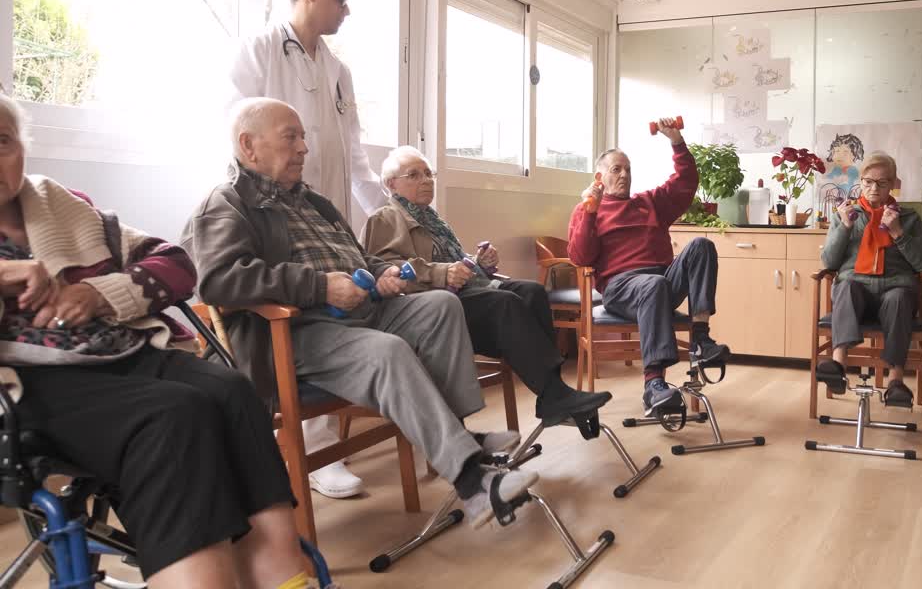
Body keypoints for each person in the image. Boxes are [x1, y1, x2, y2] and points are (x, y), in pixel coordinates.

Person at [0, 95, 313, 589]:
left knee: (233, 390)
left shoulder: (61, 204)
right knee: (173, 414)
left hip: (124, 350)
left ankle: (280, 573)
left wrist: (96, 293)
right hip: (31, 384)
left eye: (2, 141)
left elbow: (176, 263)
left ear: (22, 147)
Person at [181, 99, 537, 529]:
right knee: (386, 351)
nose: (303, 148)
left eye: (303, 137)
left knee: (441, 305)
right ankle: (473, 482)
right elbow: (218, 280)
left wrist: (381, 274)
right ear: (248, 145)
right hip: (294, 332)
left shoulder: (313, 201)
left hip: (359, 312)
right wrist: (319, 285)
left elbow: (357, 257)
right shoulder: (226, 202)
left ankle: (460, 436)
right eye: (290, 137)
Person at [228, 0, 385, 498]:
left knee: (336, 317)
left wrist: (384, 210)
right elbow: (235, 128)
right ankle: (304, 450)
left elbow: (355, 150)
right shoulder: (260, 49)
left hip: (325, 210)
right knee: (298, 320)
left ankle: (323, 446)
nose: (346, 8)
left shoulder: (338, 70)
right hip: (273, 209)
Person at [362, 146, 612, 424]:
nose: (426, 180)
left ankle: (553, 394)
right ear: (390, 184)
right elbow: (386, 269)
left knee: (533, 291)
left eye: (428, 173)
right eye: (414, 175)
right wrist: (442, 273)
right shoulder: (385, 218)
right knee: (506, 303)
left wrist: (479, 262)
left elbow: (452, 263)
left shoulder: (432, 219)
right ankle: (556, 396)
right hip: (436, 305)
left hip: (467, 292)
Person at [568, 118, 730, 417]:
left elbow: (686, 184)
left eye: (628, 169)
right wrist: (590, 210)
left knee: (701, 246)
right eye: (616, 169)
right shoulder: (588, 209)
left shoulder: (649, 202)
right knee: (652, 285)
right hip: (621, 288)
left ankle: (701, 339)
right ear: (599, 176)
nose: (624, 174)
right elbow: (580, 256)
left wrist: (677, 142)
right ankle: (653, 384)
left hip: (663, 281)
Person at [816, 152, 922, 406]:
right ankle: (838, 365)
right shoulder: (847, 214)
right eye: (868, 182)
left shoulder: (908, 218)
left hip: (894, 289)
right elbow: (829, 262)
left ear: (893, 184)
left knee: (900, 297)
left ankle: (896, 381)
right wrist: (844, 228)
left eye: (881, 183)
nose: (873, 188)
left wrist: (898, 232)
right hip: (857, 289)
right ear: (861, 182)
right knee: (845, 286)